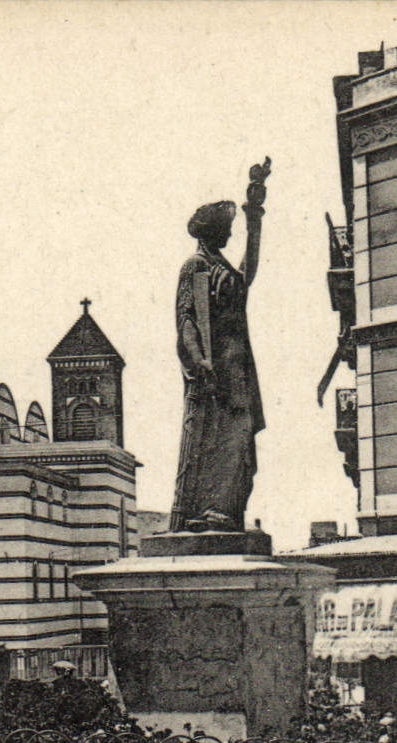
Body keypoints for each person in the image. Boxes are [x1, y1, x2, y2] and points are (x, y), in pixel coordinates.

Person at [169, 158, 271, 533]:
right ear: (209, 231)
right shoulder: (195, 266)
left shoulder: (223, 266)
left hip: (239, 368)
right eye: (227, 227)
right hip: (216, 371)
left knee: (241, 439)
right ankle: (210, 509)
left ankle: (227, 509)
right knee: (219, 437)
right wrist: (199, 362)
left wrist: (254, 216)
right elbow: (187, 321)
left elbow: (248, 273)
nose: (230, 233)